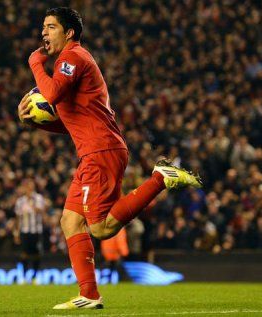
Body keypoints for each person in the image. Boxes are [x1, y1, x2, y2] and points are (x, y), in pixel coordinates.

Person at [18, 7, 201, 309]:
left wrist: (35, 63)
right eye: (43, 27)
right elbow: (72, 124)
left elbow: (50, 94)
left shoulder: (72, 57)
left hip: (100, 152)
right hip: (94, 150)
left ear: (69, 33)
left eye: (50, 27)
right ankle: (89, 295)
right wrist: (31, 121)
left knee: (101, 228)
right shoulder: (71, 63)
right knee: (70, 221)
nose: (43, 33)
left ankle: (161, 178)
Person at [14, 178, 46, 284]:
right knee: (24, 254)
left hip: (36, 231)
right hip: (24, 230)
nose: (29, 188)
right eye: (27, 186)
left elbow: (41, 211)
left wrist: (32, 205)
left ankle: (34, 277)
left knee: (36, 254)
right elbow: (18, 218)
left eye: (31, 186)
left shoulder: (38, 198)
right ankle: (23, 276)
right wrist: (16, 232)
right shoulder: (20, 201)